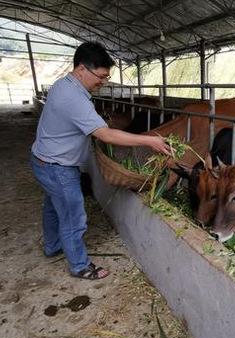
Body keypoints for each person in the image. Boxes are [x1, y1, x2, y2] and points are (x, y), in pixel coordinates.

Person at [30, 42, 170, 280]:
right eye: (101, 76)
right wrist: (149, 141)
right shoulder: (73, 97)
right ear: (82, 69)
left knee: (54, 207)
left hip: (44, 160)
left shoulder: (63, 84)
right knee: (74, 217)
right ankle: (80, 266)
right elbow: (104, 134)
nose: (103, 82)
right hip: (57, 167)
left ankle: (53, 246)